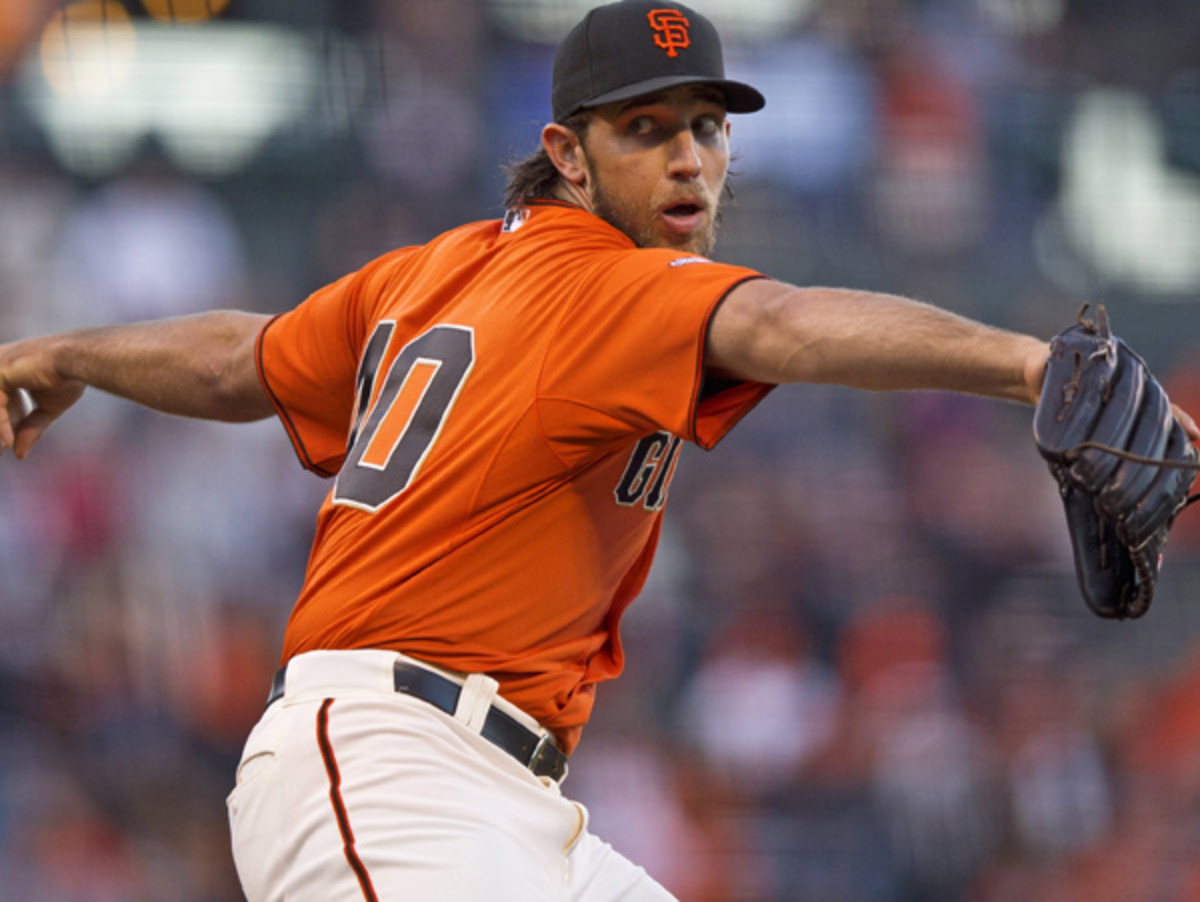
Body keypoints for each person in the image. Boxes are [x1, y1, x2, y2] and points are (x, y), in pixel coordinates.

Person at [1, 2, 1189, 899]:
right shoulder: (603, 285)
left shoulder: (435, 272)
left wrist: (67, 356)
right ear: (569, 155)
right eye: (646, 129)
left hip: (502, 793)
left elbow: (240, 359)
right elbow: (781, 323)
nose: (688, 159)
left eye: (707, 128)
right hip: (389, 765)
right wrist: (1032, 363)